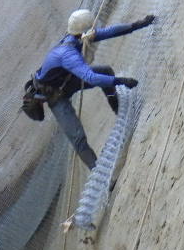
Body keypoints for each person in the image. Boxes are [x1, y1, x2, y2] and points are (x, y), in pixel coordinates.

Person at [29, 9, 156, 170]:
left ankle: (119, 109)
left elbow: (106, 32)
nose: (93, 30)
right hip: (55, 96)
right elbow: (91, 77)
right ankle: (99, 173)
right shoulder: (67, 54)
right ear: (83, 31)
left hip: (66, 82)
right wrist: (120, 81)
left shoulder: (74, 38)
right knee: (78, 137)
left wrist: (136, 25)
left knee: (105, 71)